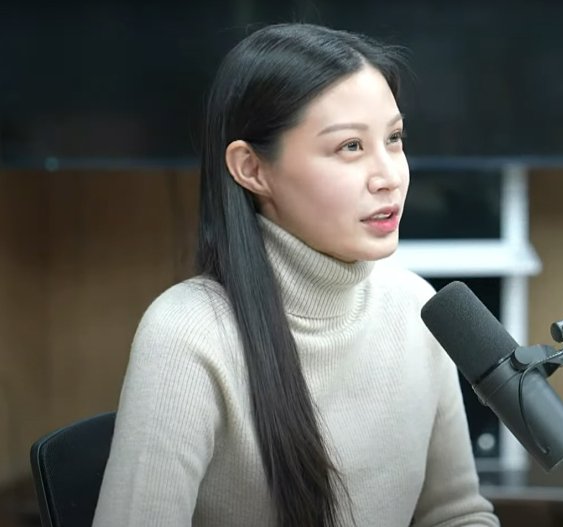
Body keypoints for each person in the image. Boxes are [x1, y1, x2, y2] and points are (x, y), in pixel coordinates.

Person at [92, 23, 500, 527]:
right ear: (251, 169)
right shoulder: (189, 335)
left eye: (394, 139)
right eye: (350, 147)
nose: (390, 176)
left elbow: (455, 514)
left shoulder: (417, 306)